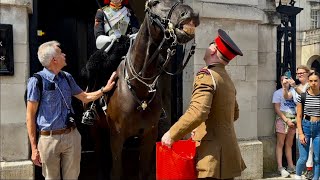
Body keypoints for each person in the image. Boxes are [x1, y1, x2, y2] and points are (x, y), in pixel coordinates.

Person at [161, 29, 246, 179]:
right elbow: (234, 114)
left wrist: (172, 134)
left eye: (209, 45)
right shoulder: (226, 78)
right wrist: (199, 130)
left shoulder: (206, 75)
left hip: (211, 157)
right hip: (228, 155)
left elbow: (198, 112)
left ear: (213, 49)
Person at [26, 41, 117, 179]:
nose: (64, 54)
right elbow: (30, 116)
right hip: (48, 139)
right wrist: (33, 148)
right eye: (60, 52)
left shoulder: (66, 77)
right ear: (54, 60)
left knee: (73, 177)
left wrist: (105, 89)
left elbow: (85, 97)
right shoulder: (37, 81)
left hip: (71, 136)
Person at [295, 71, 320, 180]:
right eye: (311, 81)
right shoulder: (303, 96)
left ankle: (315, 178)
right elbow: (299, 116)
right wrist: (300, 133)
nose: (313, 83)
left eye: (316, 81)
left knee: (317, 158)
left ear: (319, 82)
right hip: (305, 126)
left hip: (318, 128)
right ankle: (298, 176)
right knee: (303, 157)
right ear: (308, 82)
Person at [272, 75, 297, 177]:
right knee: (280, 143)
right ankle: (280, 167)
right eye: (283, 79)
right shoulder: (277, 93)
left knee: (289, 144)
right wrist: (286, 120)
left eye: (287, 78)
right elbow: (277, 109)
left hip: (293, 119)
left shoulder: (293, 91)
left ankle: (291, 165)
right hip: (283, 119)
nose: (285, 80)